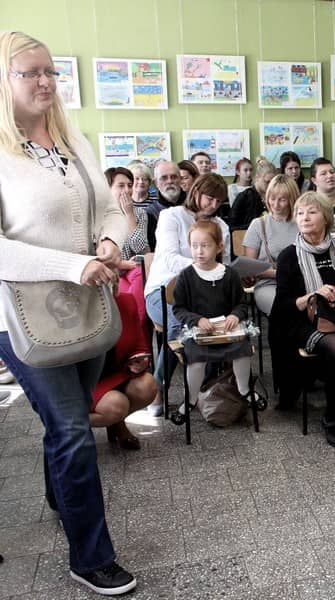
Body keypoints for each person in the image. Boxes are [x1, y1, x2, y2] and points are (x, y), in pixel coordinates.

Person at [0, 31, 136, 595]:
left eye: (50, 71)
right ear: (4, 80)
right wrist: (73, 264)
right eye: (30, 72)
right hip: (23, 315)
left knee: (71, 420)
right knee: (74, 430)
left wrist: (109, 242)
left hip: (85, 306)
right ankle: (91, 557)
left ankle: (61, 495)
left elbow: (112, 209)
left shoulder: (71, 140)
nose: (45, 81)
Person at [268, 191, 335, 446]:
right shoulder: (289, 255)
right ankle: (331, 416)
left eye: (311, 212)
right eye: (300, 213)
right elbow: (283, 305)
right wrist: (314, 295)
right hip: (305, 321)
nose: (304, 217)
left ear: (325, 217)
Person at [143, 173, 231, 416]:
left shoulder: (221, 226)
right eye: (210, 198)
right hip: (162, 291)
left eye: (219, 201)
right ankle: (158, 387)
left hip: (203, 296)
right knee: (179, 324)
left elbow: (225, 264)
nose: (213, 205)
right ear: (196, 192)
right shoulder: (171, 216)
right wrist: (205, 268)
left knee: (218, 322)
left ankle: (206, 386)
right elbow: (170, 259)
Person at [173, 221, 255, 416]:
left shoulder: (229, 274)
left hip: (226, 330)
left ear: (219, 247)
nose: (199, 251)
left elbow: (242, 304)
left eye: (205, 245)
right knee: (196, 359)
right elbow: (178, 308)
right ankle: (191, 398)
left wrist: (235, 315)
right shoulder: (186, 276)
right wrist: (196, 320)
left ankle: (244, 389)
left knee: (242, 349)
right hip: (199, 332)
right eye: (194, 246)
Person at [91, 292, 155, 450]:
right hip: (86, 381)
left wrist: (139, 361)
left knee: (147, 385)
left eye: (113, 279)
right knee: (116, 405)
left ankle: (116, 422)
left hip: (118, 373)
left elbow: (139, 344)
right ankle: (68, 427)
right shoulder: (75, 308)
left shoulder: (126, 300)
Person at [242, 174, 300, 316]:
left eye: (282, 200)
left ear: (292, 199)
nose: (275, 204)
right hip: (269, 284)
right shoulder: (258, 224)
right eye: (272, 198)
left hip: (300, 283)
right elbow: (250, 268)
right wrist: (282, 274)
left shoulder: (301, 223)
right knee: (286, 307)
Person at [105, 167, 150, 323]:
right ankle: (134, 323)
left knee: (140, 272)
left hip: (133, 269)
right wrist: (121, 263)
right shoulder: (101, 214)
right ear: (109, 188)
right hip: (112, 269)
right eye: (121, 186)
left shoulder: (139, 213)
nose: (127, 190)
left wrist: (129, 215)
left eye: (130, 185)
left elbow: (141, 249)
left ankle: (137, 323)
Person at [145, 160, 186, 252]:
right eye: (164, 178)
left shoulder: (194, 204)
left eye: (174, 177)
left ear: (180, 179)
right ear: (156, 183)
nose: (170, 181)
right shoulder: (150, 213)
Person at [229, 160, 276, 230]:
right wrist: (257, 225)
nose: (270, 185)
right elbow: (231, 227)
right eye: (267, 182)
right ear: (257, 177)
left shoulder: (275, 196)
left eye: (273, 182)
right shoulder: (244, 196)